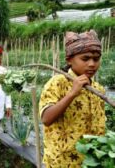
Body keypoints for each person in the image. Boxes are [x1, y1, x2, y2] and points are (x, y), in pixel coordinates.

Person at [39, 30, 106, 167]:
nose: (92, 64)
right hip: (63, 161)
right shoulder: (58, 83)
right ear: (69, 60)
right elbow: (46, 118)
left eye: (96, 59)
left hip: (91, 160)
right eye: (85, 59)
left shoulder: (98, 89)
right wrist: (72, 93)